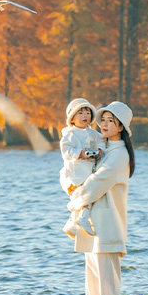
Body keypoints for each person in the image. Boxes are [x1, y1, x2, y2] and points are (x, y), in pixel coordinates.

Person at [66, 101, 135, 295]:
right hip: (94, 223)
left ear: (121, 127)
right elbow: (73, 168)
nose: (104, 124)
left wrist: (74, 199)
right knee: (93, 275)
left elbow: (96, 184)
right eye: (102, 120)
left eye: (110, 121)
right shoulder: (101, 148)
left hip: (109, 222)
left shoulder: (119, 154)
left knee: (107, 278)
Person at [59, 98, 106, 238]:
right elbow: (66, 151)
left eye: (88, 112)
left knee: (87, 195)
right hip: (77, 172)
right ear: (72, 119)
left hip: (89, 170)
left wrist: (100, 151)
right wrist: (80, 153)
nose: (85, 116)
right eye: (80, 113)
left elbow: (102, 141)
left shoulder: (93, 133)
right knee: (86, 195)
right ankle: (82, 218)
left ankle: (72, 223)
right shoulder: (70, 134)